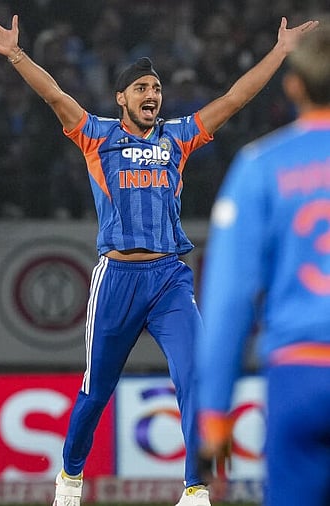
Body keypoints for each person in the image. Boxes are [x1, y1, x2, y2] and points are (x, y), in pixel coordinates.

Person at [0, 10, 318, 506]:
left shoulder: (177, 137)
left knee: (194, 377)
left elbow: (234, 99)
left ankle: (195, 488)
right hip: (116, 278)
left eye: (155, 88)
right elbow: (54, 95)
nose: (151, 94)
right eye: (141, 88)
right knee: (96, 391)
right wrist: (15, 54)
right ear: (122, 98)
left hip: (169, 279)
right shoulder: (96, 134)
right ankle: (70, 477)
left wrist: (280, 52)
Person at [197, 21, 329, 506]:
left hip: (299, 376)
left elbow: (230, 298)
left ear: (293, 85)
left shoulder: (261, 165)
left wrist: (214, 411)